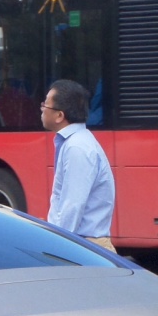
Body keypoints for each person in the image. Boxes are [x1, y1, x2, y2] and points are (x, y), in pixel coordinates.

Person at [41, 78, 116, 252]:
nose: (42, 109)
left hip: (86, 247)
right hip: (84, 243)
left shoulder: (77, 147)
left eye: (46, 104)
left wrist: (58, 247)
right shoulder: (74, 142)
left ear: (60, 115)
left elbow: (72, 206)